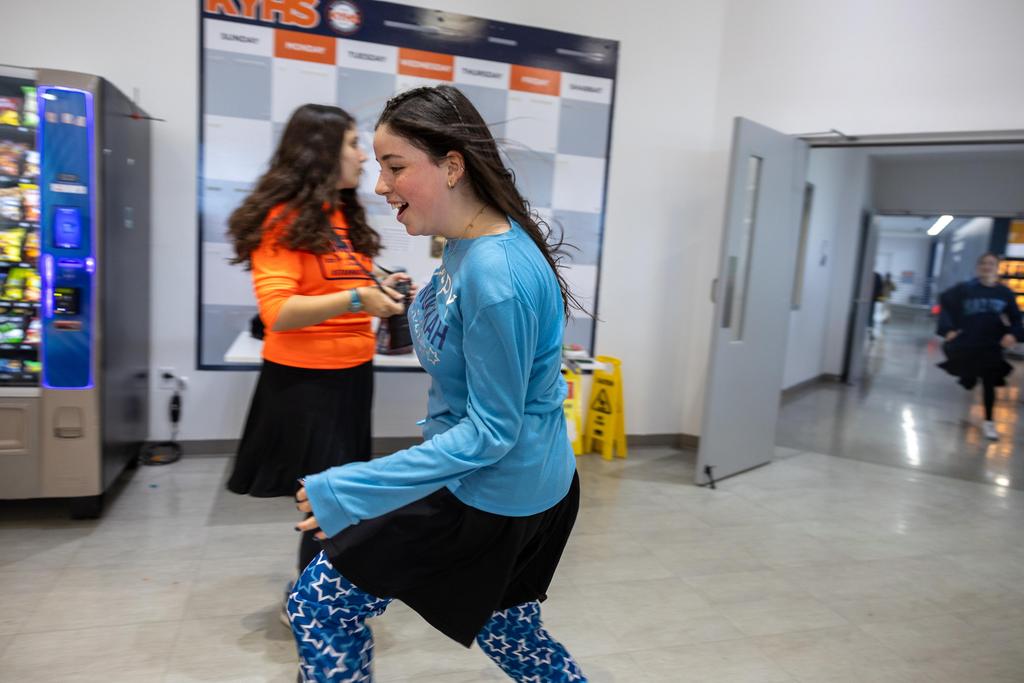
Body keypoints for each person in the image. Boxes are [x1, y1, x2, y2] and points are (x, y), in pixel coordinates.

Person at [286, 85, 586, 683]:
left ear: (452, 165)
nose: (379, 185)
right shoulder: (469, 244)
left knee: (318, 605)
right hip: (526, 478)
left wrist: (353, 487)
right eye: (378, 167)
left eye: (395, 167)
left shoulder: (496, 272)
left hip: (492, 489)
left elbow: (491, 433)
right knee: (510, 631)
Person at [224, 104, 409, 589]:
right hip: (305, 385)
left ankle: (319, 593)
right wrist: (358, 298)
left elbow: (341, 282)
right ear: (320, 151)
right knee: (329, 499)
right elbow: (278, 311)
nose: (363, 157)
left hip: (353, 374)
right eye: (353, 144)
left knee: (338, 495)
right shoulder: (282, 220)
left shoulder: (340, 218)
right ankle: (312, 601)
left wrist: (381, 286)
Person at [937, 252, 1024, 440]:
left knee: (989, 382)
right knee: (968, 379)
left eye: (991, 264)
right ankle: (969, 378)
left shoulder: (1004, 293)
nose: (987, 267)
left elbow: (1016, 318)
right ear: (978, 267)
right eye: (983, 263)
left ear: (997, 268)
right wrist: (948, 329)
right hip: (968, 343)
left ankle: (989, 422)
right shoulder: (966, 289)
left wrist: (1013, 334)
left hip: (991, 345)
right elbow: (945, 301)